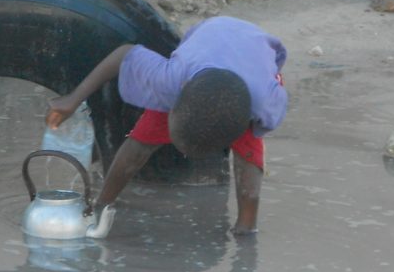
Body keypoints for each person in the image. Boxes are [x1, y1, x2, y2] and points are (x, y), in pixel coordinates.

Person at [46, 16, 287, 238]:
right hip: (206, 44)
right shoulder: (170, 81)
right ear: (173, 106)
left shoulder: (266, 105)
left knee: (249, 167)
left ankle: (246, 229)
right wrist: (74, 99)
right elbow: (123, 54)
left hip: (252, 70)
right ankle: (102, 205)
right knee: (140, 142)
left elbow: (252, 166)